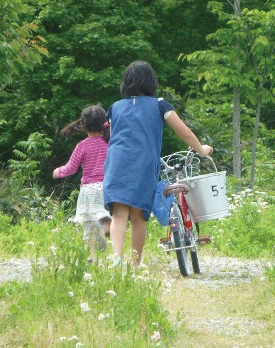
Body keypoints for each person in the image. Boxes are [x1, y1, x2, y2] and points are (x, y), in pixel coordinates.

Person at [103, 61, 213, 266]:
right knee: (137, 215)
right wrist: (201, 149)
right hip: (143, 163)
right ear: (151, 82)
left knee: (119, 213)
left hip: (116, 162)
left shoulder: (114, 108)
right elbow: (183, 132)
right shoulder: (160, 104)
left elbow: (111, 135)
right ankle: (135, 264)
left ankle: (116, 260)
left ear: (126, 82)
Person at [53, 105, 111, 262]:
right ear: (104, 124)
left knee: (88, 226)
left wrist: (58, 172)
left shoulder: (82, 146)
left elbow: (70, 168)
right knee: (106, 220)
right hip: (107, 188)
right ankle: (105, 229)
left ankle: (90, 257)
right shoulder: (110, 144)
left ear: (84, 125)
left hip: (88, 191)